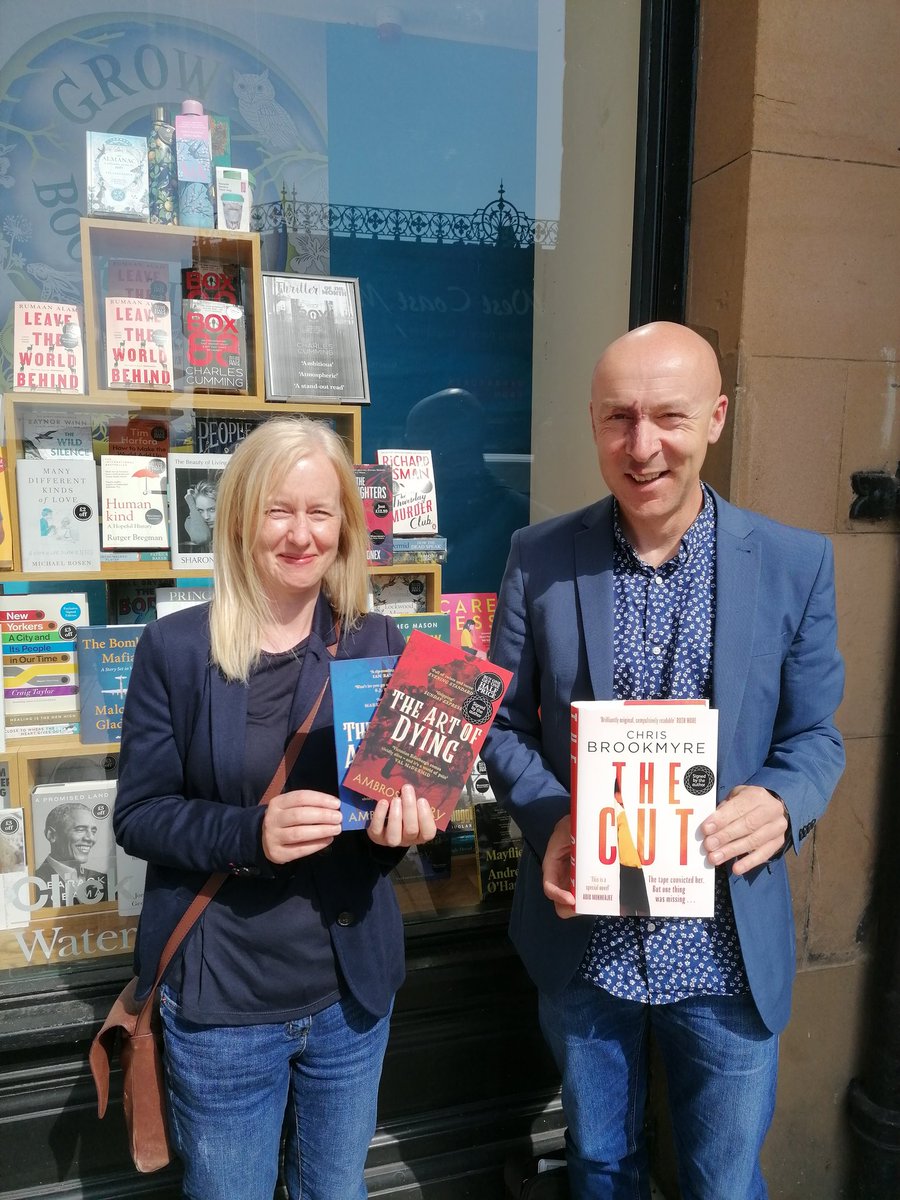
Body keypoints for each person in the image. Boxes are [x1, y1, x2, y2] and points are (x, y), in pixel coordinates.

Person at [481, 322, 845, 1199]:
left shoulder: (795, 564)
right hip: (587, 946)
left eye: (669, 418)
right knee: (601, 1167)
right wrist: (554, 819)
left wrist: (785, 801)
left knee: (723, 1182)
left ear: (716, 418)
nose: (643, 446)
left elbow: (818, 738)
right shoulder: (539, 558)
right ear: (595, 423)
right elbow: (497, 726)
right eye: (619, 418)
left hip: (724, 947)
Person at [114, 417, 436, 1200]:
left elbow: (383, 819)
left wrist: (408, 830)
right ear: (240, 519)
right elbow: (141, 814)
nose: (300, 534)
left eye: (320, 513)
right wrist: (250, 831)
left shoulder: (380, 644)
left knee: (337, 1193)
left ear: (345, 528)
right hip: (224, 1004)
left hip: (348, 1001)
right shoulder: (177, 648)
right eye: (277, 511)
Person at [35, 802, 109, 905]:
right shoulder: (33, 885)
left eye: (93, 831)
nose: (91, 838)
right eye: (80, 829)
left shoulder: (104, 880)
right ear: (51, 835)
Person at [183, 477, 218, 546]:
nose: (206, 517)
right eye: (200, 511)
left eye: (212, 510)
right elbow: (201, 538)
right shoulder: (192, 520)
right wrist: (191, 503)